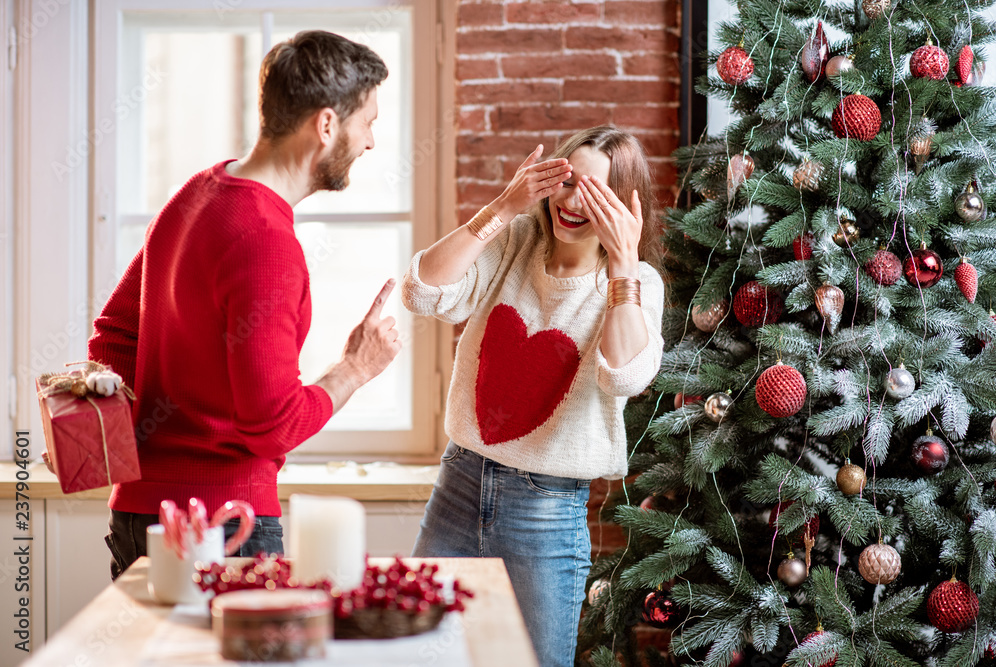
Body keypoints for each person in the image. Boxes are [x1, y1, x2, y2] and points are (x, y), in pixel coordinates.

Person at [84, 30, 401, 580]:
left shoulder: (195, 193)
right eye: (367, 122)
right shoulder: (266, 242)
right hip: (223, 527)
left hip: (137, 514)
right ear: (327, 125)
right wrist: (355, 369)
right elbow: (271, 426)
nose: (371, 141)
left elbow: (113, 333)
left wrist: (133, 458)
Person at [402, 125, 665, 667]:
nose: (572, 202)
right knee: (416, 654)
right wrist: (503, 206)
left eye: (595, 193)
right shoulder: (518, 239)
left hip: (545, 510)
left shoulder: (638, 282)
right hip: (459, 482)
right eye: (567, 182)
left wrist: (622, 262)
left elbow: (624, 376)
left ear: (621, 207)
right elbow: (423, 290)